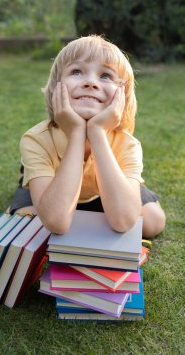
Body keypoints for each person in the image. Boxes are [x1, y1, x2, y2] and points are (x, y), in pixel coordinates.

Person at [9, 35, 165, 238]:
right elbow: (56, 222)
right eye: (76, 71)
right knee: (27, 224)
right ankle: (40, 188)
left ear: (122, 94)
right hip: (53, 182)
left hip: (103, 187)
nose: (91, 82)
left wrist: (97, 132)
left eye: (106, 76)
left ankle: (112, 196)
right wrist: (76, 132)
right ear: (57, 87)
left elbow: (124, 222)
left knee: (153, 221)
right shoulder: (36, 139)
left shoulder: (128, 144)